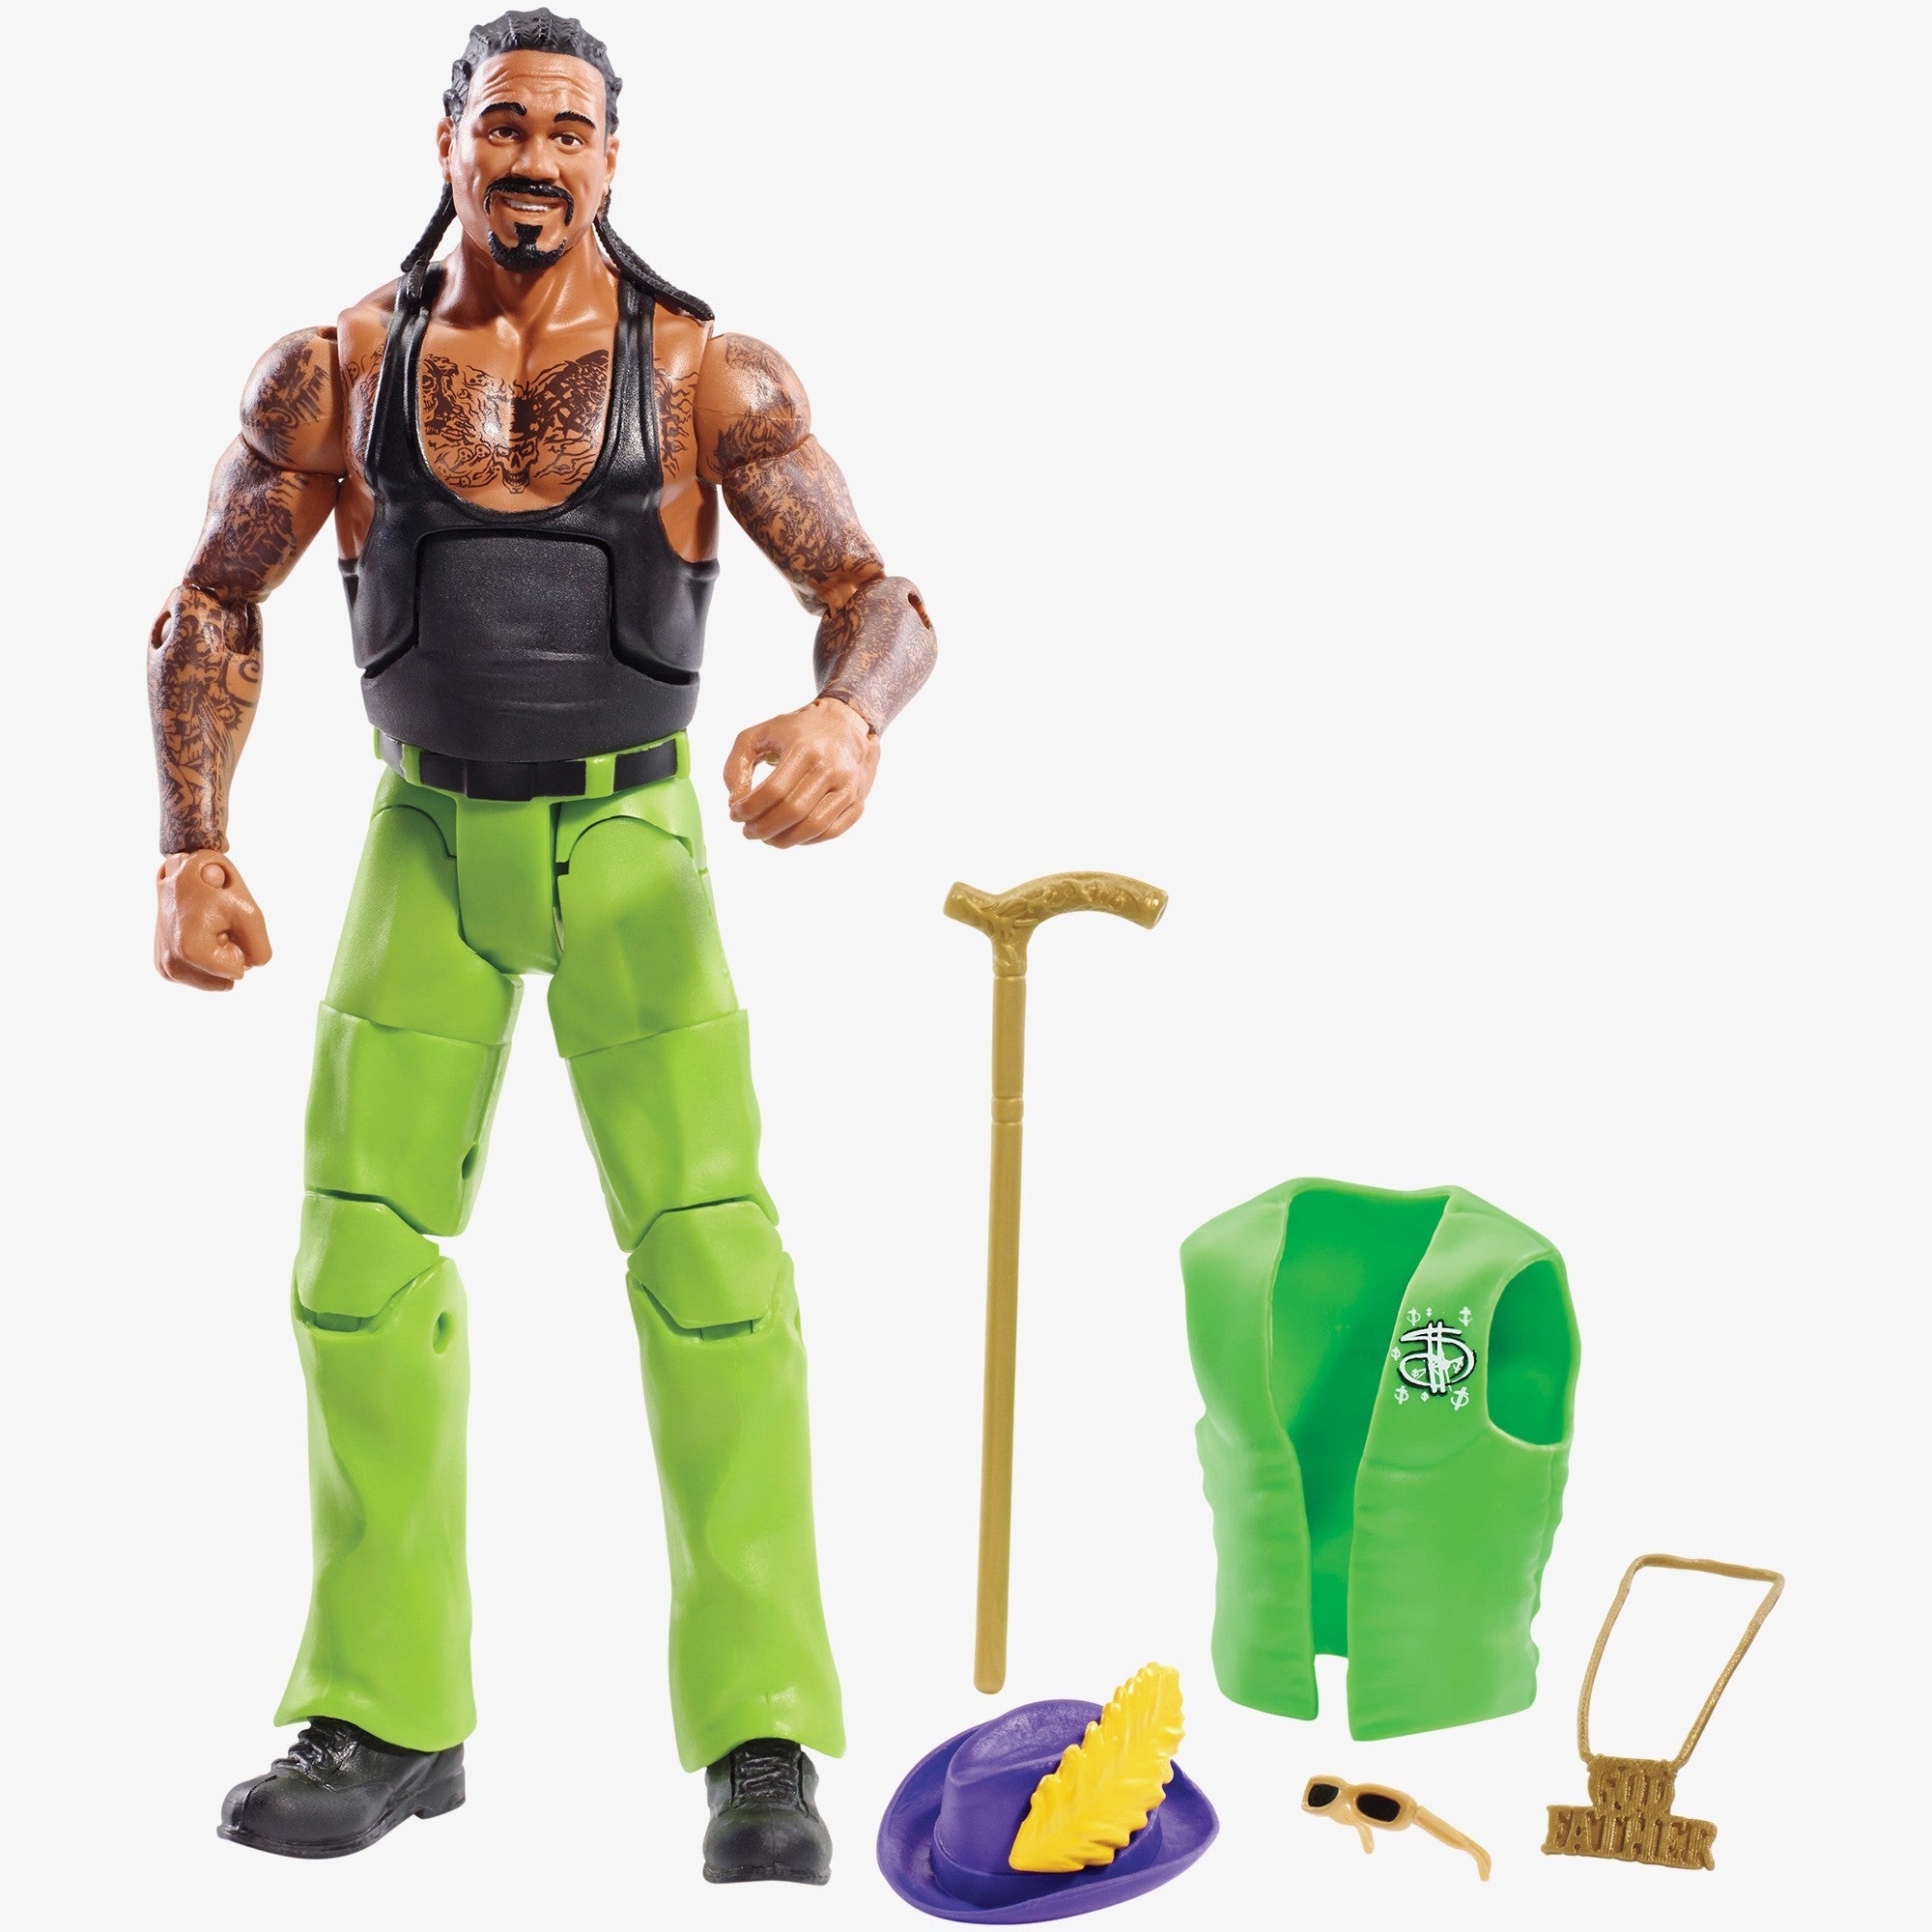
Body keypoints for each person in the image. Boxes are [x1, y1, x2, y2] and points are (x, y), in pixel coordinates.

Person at [147, 7, 934, 1882]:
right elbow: (212, 600)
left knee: (716, 1268)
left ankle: (760, 1734)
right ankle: (389, 1709)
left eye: (569, 132)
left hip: (634, 837)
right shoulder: (337, 369)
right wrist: (190, 844)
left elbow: (872, 592)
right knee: (356, 1262)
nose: (534, 160)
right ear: (449, 144)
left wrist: (851, 717)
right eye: (506, 124)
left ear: (611, 160)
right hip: (422, 831)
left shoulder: (709, 372)